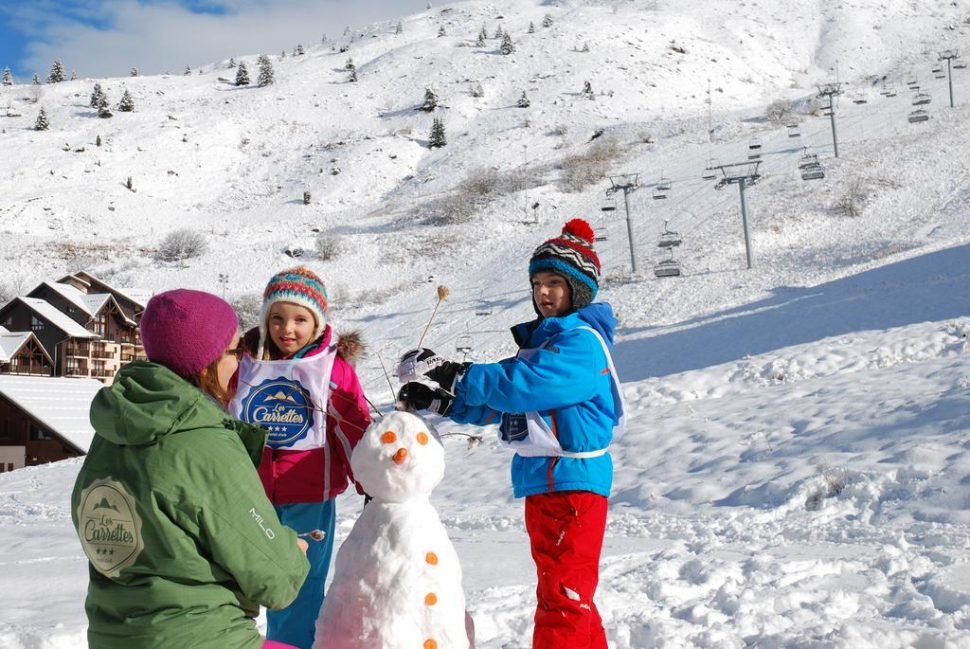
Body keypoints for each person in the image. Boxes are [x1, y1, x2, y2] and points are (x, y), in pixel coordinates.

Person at [397, 218, 624, 649]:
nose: (543, 292)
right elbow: (511, 407)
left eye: (555, 282)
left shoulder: (580, 344)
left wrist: (454, 372)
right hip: (547, 482)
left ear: (578, 289)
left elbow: (522, 385)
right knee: (566, 593)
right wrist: (444, 401)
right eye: (537, 282)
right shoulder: (544, 345)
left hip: (571, 486)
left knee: (564, 597)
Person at [71, 288, 310, 649]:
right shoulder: (203, 443)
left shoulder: (112, 433)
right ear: (205, 363)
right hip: (202, 638)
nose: (241, 362)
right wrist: (293, 550)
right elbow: (275, 579)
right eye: (234, 351)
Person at [230, 266, 371, 649]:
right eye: (276, 318)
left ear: (317, 322)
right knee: (238, 585)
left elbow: (353, 428)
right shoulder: (243, 364)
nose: (286, 329)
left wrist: (371, 483)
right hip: (249, 497)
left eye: (299, 319)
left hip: (309, 497)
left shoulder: (331, 369)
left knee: (298, 590)